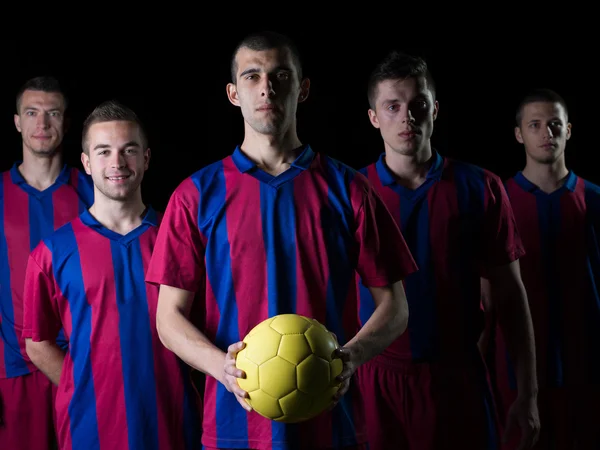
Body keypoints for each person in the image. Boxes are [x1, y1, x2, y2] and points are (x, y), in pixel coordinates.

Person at [145, 30, 417, 450]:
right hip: (235, 427)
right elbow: (168, 320)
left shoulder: (349, 189)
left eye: (280, 75)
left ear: (303, 88)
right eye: (252, 76)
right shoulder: (195, 195)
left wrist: (352, 357)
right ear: (234, 93)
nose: (266, 88)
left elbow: (396, 306)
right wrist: (223, 368)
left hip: (333, 422)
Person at [355, 50, 540, 450]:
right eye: (392, 106)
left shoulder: (481, 187)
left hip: (456, 376)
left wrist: (527, 395)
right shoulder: (351, 192)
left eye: (417, 104)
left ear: (435, 109)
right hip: (374, 377)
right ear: (374, 117)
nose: (407, 116)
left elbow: (510, 295)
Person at [22, 100, 203, 449]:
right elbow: (38, 342)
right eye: (103, 152)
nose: (117, 163)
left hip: (175, 425)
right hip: (88, 430)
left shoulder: (181, 238)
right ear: (87, 163)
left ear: (146, 159)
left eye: (128, 150)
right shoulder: (51, 252)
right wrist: (88, 386)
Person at [481, 88, 600, 449]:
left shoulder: (593, 198)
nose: (546, 133)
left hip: (586, 361)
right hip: (514, 364)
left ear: (568, 130)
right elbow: (484, 293)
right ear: (519, 133)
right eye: (535, 125)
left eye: (554, 124)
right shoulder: (496, 198)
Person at [0, 75, 93, 449]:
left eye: (52, 113)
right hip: (11, 370)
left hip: (82, 366)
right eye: (32, 113)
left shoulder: (93, 189)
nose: (42, 124)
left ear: (67, 123)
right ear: (18, 121)